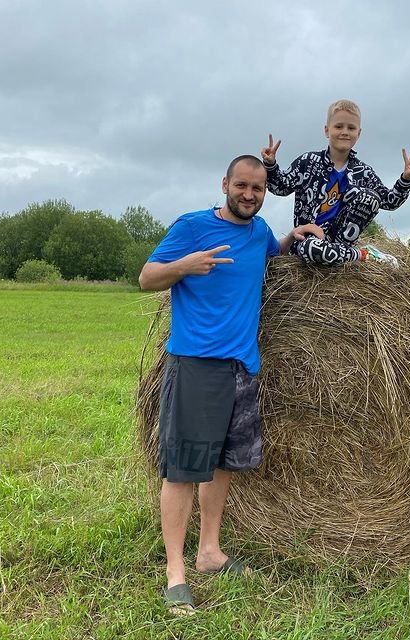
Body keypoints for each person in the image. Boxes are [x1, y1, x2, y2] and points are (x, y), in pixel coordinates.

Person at [139, 155, 322, 616]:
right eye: (241, 185)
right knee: (182, 468)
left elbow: (271, 253)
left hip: (243, 366)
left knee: (222, 464)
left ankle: (210, 553)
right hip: (197, 364)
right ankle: (175, 572)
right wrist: (187, 264)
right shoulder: (192, 226)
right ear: (225, 183)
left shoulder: (259, 232)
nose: (249, 194)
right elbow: (146, 278)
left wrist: (291, 237)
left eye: (257, 189)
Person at [261, 99, 410, 267]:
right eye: (339, 126)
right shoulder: (308, 162)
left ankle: (358, 254)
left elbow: (389, 201)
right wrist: (271, 165)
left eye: (351, 128)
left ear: (359, 133)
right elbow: (281, 187)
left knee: (370, 197)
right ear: (326, 130)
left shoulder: (363, 172)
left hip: (342, 241)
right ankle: (361, 255)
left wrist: (406, 179)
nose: (345, 132)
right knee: (310, 248)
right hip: (309, 240)